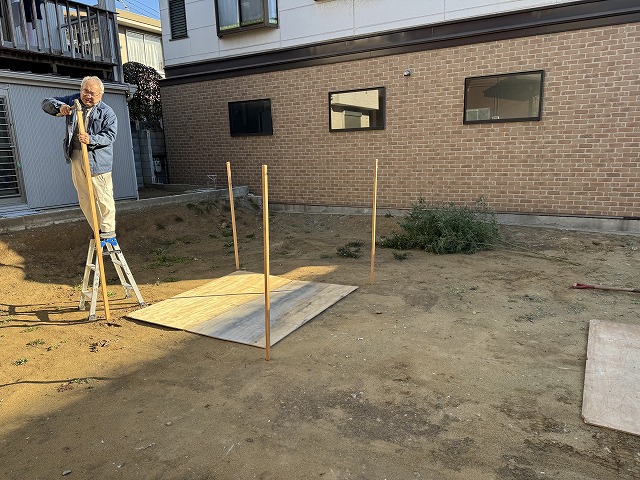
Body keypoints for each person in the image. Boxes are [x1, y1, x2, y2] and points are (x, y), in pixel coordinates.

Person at [42, 76, 118, 240]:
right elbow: (46, 103)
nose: (88, 96)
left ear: (100, 95)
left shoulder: (107, 112)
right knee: (84, 197)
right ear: (80, 89)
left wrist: (92, 139)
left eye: (93, 93)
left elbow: (110, 135)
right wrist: (60, 107)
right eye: (85, 91)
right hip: (76, 155)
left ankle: (107, 231)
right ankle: (97, 228)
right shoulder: (73, 101)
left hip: (97, 159)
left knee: (103, 196)